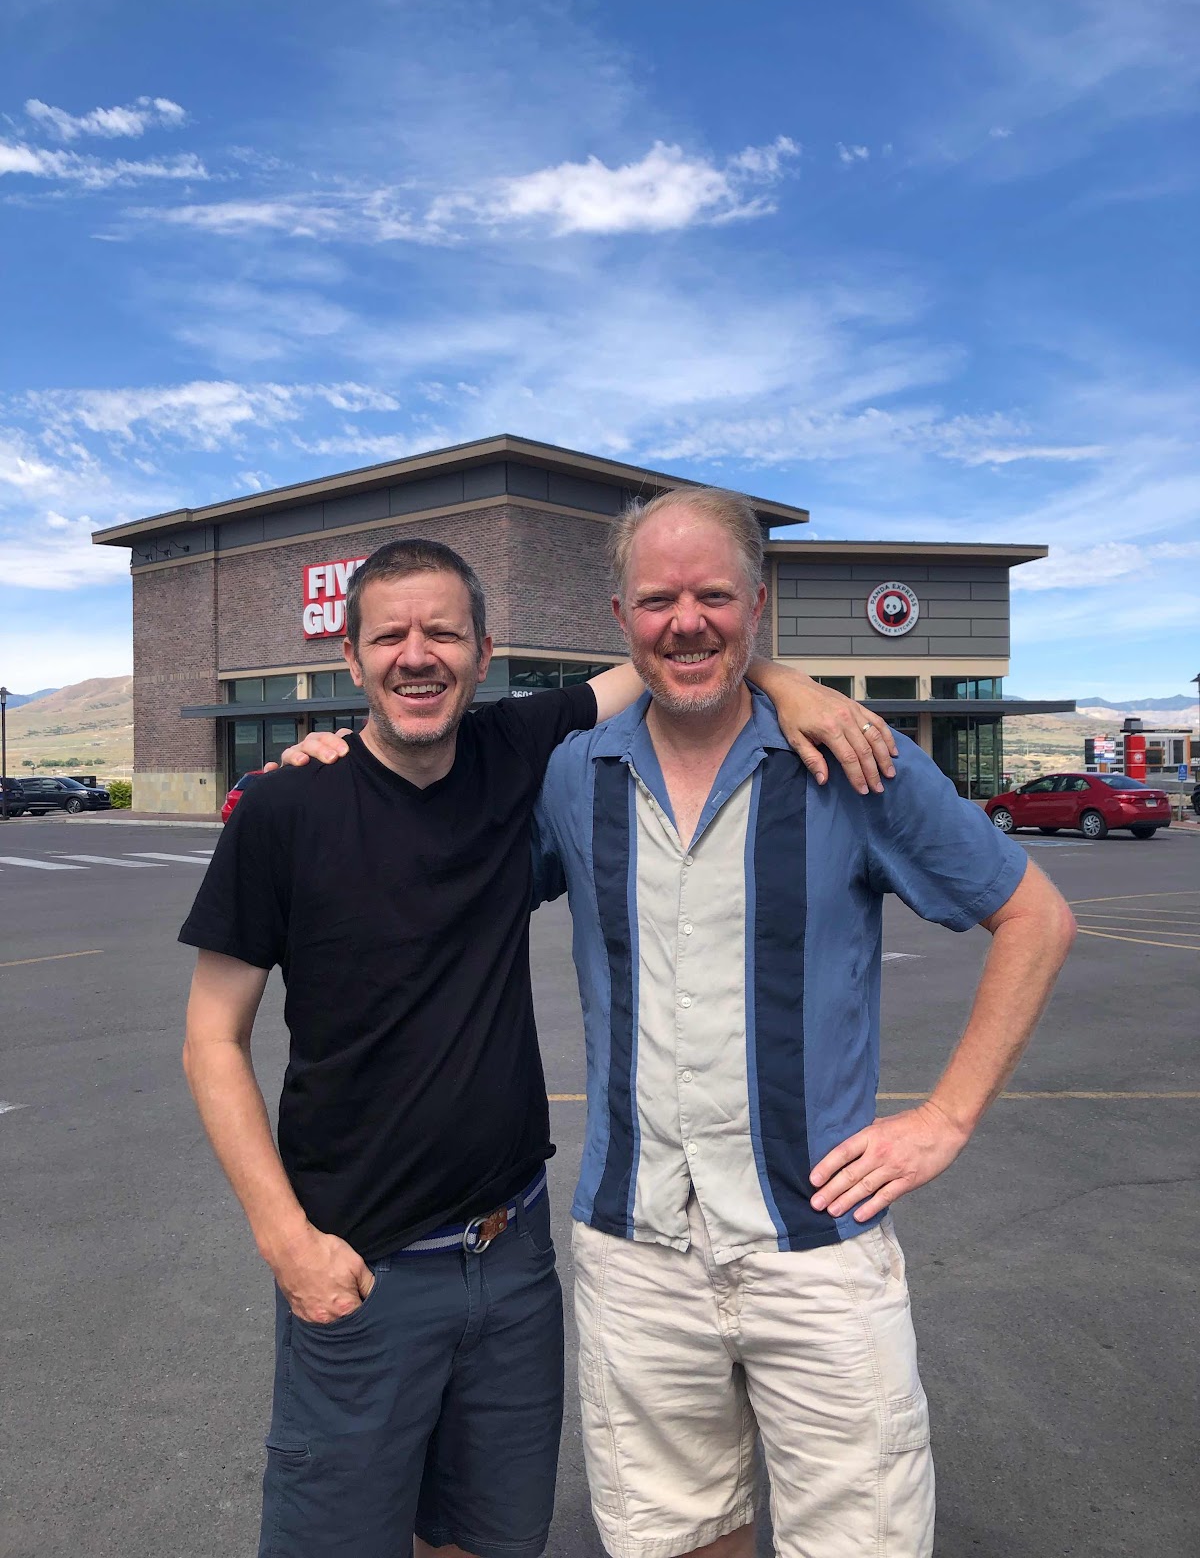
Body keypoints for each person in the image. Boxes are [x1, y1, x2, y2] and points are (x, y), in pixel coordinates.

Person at [180, 533, 898, 1558]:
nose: (416, 655)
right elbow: (212, 1039)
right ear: (350, 657)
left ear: (483, 653)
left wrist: (788, 684)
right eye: (388, 636)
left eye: (443, 633)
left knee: (487, 1539)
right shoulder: (286, 809)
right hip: (360, 1268)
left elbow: (671, 657)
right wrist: (287, 1243)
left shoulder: (512, 749)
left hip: (510, 1259)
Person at [529, 487, 1077, 1558]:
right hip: (637, 1254)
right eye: (658, 600)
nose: (686, 621)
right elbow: (430, 810)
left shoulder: (853, 759)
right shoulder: (569, 774)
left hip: (818, 1251)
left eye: (713, 595)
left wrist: (947, 1117)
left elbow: (1036, 917)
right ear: (621, 617)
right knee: (677, 1538)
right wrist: (325, 764)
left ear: (758, 604)